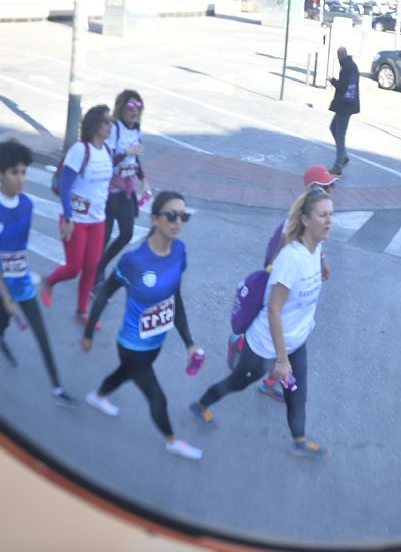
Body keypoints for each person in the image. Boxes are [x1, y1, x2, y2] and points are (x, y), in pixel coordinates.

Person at [191, 186, 334, 458]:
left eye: (331, 214)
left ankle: (299, 442)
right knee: (237, 382)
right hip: (266, 346)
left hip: (295, 341)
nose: (329, 220)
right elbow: (273, 311)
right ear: (305, 220)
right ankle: (200, 405)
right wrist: (281, 359)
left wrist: (324, 262)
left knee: (297, 392)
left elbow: (318, 255)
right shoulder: (291, 259)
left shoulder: (316, 247)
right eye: (322, 215)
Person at [81, 191, 203, 460]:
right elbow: (104, 293)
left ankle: (98, 395)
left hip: (156, 342)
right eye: (172, 215)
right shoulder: (134, 261)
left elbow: (176, 298)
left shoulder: (180, 251)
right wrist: (89, 331)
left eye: (184, 216)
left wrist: (189, 343)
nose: (178, 221)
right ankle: (172, 441)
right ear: (155, 218)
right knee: (156, 396)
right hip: (132, 345)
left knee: (124, 374)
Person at [0, 140, 78, 408]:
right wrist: (7, 297)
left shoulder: (27, 205)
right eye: (14, 173)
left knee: (41, 333)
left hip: (20, 281)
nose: (21, 179)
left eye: (24, 172)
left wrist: (33, 277)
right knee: (2, 319)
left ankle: (57, 389)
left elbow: (18, 251)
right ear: (0, 173)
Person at [228, 164, 339, 402]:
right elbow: (282, 253)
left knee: (283, 329)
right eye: (328, 184)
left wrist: (322, 262)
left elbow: (316, 244)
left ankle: (268, 373)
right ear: (314, 188)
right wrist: (282, 275)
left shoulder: (317, 212)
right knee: (274, 321)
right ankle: (245, 348)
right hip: (280, 272)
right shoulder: (298, 217)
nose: (333, 188)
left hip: (288, 274)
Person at [40, 105, 114, 326]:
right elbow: (64, 185)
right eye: (107, 122)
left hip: (97, 220)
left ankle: (82, 312)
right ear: (95, 126)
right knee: (73, 269)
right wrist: (69, 217)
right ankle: (49, 282)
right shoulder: (81, 150)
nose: (111, 126)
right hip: (76, 221)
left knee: (91, 267)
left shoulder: (107, 151)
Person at [94, 90, 151, 291]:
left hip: (127, 189)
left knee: (126, 233)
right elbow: (107, 159)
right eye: (130, 106)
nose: (134, 111)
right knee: (105, 235)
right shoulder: (115, 129)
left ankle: (99, 266)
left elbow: (136, 159)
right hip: (110, 190)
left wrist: (144, 180)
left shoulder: (136, 129)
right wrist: (126, 152)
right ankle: (96, 275)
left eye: (138, 106)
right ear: (121, 107)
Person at [327, 47, 360, 177]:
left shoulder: (347, 67)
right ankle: (344, 157)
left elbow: (343, 87)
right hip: (347, 105)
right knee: (334, 128)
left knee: (340, 134)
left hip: (345, 105)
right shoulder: (351, 65)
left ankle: (338, 166)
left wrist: (333, 81)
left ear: (340, 56)